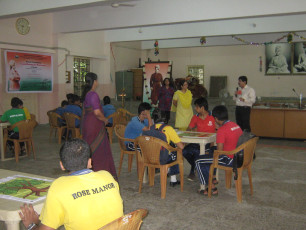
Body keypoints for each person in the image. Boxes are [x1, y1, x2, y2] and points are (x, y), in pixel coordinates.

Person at [19, 139, 123, 230]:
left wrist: (31, 225)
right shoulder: (107, 176)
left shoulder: (58, 187)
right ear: (90, 162)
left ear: (62, 165)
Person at [195, 105, 242, 195]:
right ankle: (212, 179)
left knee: (199, 160)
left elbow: (219, 152)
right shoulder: (235, 125)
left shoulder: (222, 130)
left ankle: (210, 187)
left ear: (216, 119)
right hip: (239, 157)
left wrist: (209, 154)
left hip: (229, 159)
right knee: (209, 154)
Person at [81, 72, 117, 179]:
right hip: (94, 125)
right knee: (99, 150)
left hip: (88, 124)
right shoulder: (93, 94)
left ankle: (89, 171)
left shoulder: (86, 94)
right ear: (94, 81)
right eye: (97, 80)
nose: (97, 82)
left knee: (90, 148)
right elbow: (97, 112)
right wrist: (105, 120)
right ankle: (99, 173)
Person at [182, 97, 216, 181]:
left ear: (202, 108)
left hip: (209, 143)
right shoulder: (195, 117)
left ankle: (193, 170)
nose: (195, 108)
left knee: (198, 153)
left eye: (196, 107)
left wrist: (214, 142)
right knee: (184, 151)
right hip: (197, 142)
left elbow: (219, 130)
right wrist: (185, 138)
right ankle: (195, 166)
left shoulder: (213, 116)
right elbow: (189, 129)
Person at [152, 121, 184, 186]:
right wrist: (184, 144)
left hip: (150, 157)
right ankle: (173, 180)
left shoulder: (149, 127)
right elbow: (181, 146)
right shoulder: (168, 128)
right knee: (175, 152)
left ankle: (149, 179)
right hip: (163, 159)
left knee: (171, 149)